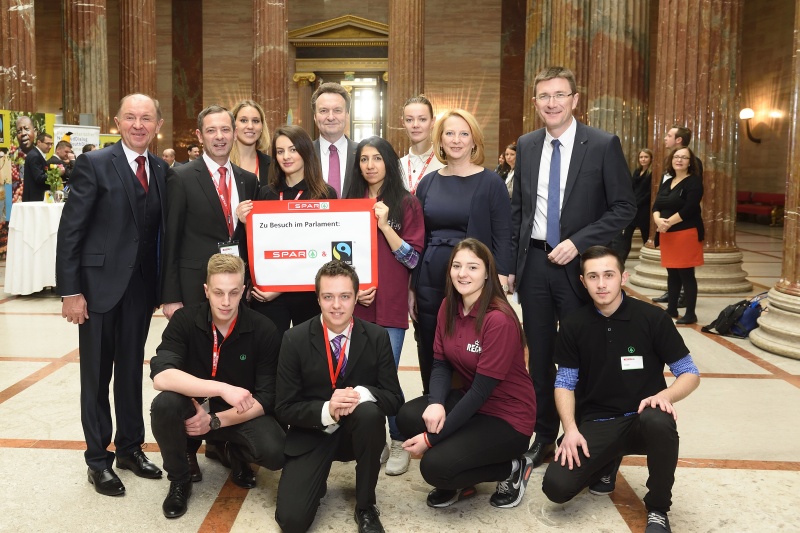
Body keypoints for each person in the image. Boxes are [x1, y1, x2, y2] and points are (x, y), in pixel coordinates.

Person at [509, 66, 636, 468]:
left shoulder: (602, 144)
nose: (552, 103)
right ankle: (545, 435)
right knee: (541, 356)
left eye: (560, 95)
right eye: (544, 96)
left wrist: (577, 243)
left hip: (581, 268)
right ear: (535, 102)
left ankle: (588, 434)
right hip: (534, 267)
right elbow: (519, 211)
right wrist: (512, 264)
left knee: (586, 354)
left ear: (575, 99)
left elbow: (624, 207)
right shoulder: (527, 145)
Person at [542, 245, 700, 533]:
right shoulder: (573, 325)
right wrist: (571, 429)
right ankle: (607, 463)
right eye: (592, 277)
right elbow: (564, 382)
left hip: (643, 419)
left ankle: (658, 509)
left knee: (660, 419)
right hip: (598, 421)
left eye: (608, 275)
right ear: (582, 282)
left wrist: (664, 396)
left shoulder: (653, 318)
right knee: (556, 488)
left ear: (623, 277)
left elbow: (689, 373)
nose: (601, 284)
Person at [56, 93, 168, 496]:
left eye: (147, 118)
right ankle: (97, 459)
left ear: (158, 124)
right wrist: (72, 291)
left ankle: (130, 448)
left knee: (129, 377)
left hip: (139, 291)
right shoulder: (94, 163)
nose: (139, 125)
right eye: (131, 118)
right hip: (98, 289)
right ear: (117, 122)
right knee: (96, 376)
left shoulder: (160, 168)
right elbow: (72, 230)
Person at [397, 239, 536, 509]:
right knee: (408, 416)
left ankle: (511, 467)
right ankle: (460, 469)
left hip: (507, 417)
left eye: (473, 267)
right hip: (471, 403)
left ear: (487, 273)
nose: (463, 273)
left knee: (434, 468)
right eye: (457, 266)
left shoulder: (499, 320)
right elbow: (440, 363)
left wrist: (431, 439)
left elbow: (482, 391)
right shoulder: (449, 305)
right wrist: (436, 402)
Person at [149, 254, 286, 518]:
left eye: (234, 293)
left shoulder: (263, 329)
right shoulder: (185, 320)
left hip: (237, 412)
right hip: (192, 407)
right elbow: (161, 376)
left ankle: (235, 451)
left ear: (244, 290)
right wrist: (222, 388)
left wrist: (213, 421)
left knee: (276, 452)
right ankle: (180, 480)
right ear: (206, 290)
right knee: (165, 404)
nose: (225, 302)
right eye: (218, 292)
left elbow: (268, 397)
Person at [274, 260, 404, 533]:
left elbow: (394, 398)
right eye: (328, 297)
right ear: (318, 298)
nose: (336, 305)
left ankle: (366, 506)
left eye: (344, 296)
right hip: (312, 433)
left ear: (356, 298)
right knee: (292, 522)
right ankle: (315, 476)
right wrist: (327, 409)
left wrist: (362, 394)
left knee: (369, 413)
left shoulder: (377, 336)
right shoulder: (293, 338)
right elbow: (284, 407)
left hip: (357, 434)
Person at [413, 108, 512, 396]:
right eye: (450, 134)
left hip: (473, 281)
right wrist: (412, 287)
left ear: (474, 141)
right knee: (431, 344)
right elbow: (419, 237)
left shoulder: (491, 182)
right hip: (430, 278)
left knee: (472, 346)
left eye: (464, 134)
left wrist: (502, 278)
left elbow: (503, 234)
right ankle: (434, 404)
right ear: (440, 141)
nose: (456, 140)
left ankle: (470, 413)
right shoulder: (428, 183)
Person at [346, 136, 424, 476]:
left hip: (390, 305)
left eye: (377, 158)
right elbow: (338, 253)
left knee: (387, 375)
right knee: (363, 375)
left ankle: (399, 440)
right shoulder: (348, 204)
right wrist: (353, 289)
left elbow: (412, 257)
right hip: (356, 304)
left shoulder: (406, 204)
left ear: (389, 162)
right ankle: (375, 438)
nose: (370, 165)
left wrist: (384, 226)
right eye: (364, 159)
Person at [236, 125, 336, 337]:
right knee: (269, 356)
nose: (286, 157)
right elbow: (258, 246)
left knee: (307, 357)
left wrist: (280, 287)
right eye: (280, 152)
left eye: (292, 150)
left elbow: (323, 250)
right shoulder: (266, 193)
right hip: (267, 294)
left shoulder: (325, 194)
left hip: (309, 293)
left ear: (305, 152)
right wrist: (246, 224)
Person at [162, 105, 260, 319]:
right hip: (194, 287)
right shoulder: (181, 178)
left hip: (236, 289)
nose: (219, 137)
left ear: (234, 133)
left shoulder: (249, 180)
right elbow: (171, 239)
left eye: (225, 130)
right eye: (211, 130)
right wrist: (171, 296)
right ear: (199, 135)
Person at [652, 146, 704, 325]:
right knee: (672, 273)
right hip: (667, 234)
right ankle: (672, 308)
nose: (679, 160)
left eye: (684, 157)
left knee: (686, 274)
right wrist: (658, 221)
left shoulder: (693, 182)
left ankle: (690, 314)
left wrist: (667, 223)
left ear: (690, 162)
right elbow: (656, 205)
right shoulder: (668, 181)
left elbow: (689, 208)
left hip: (685, 233)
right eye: (676, 157)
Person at [312, 82, 357, 198]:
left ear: (347, 115)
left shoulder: (362, 153)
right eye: (323, 111)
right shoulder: (303, 154)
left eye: (337, 110)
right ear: (315, 117)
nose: (331, 117)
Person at [610, 148, 653, 262]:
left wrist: (636, 203)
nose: (643, 159)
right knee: (625, 237)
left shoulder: (652, 173)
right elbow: (632, 188)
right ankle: (620, 262)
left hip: (644, 210)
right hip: (633, 209)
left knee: (646, 236)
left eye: (646, 157)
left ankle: (647, 261)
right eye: (641, 157)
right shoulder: (637, 172)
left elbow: (650, 193)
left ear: (651, 159)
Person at [398, 95, 445, 194]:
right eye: (409, 120)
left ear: (432, 122)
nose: (415, 125)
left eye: (422, 119)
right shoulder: (397, 165)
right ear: (403, 123)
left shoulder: (444, 163)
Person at [229, 100, 272, 184]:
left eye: (255, 121)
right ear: (233, 125)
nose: (250, 126)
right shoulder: (221, 162)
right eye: (243, 120)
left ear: (262, 127)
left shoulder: (272, 165)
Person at [22, 132, 53, 202]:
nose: (50, 146)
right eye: (47, 144)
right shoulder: (35, 156)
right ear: (39, 142)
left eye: (51, 144)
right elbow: (39, 178)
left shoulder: (36, 154)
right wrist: (54, 174)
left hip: (36, 197)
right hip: (35, 198)